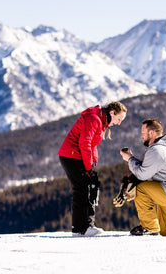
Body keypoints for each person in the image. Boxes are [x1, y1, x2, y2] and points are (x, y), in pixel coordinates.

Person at [59, 101, 127, 236]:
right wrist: (89, 167)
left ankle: (82, 228)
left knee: (87, 188)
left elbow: (92, 144)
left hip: (75, 156)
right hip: (72, 156)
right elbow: (85, 142)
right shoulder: (94, 119)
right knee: (83, 189)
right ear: (112, 113)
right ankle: (82, 228)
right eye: (119, 119)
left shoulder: (100, 120)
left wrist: (93, 162)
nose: (119, 123)